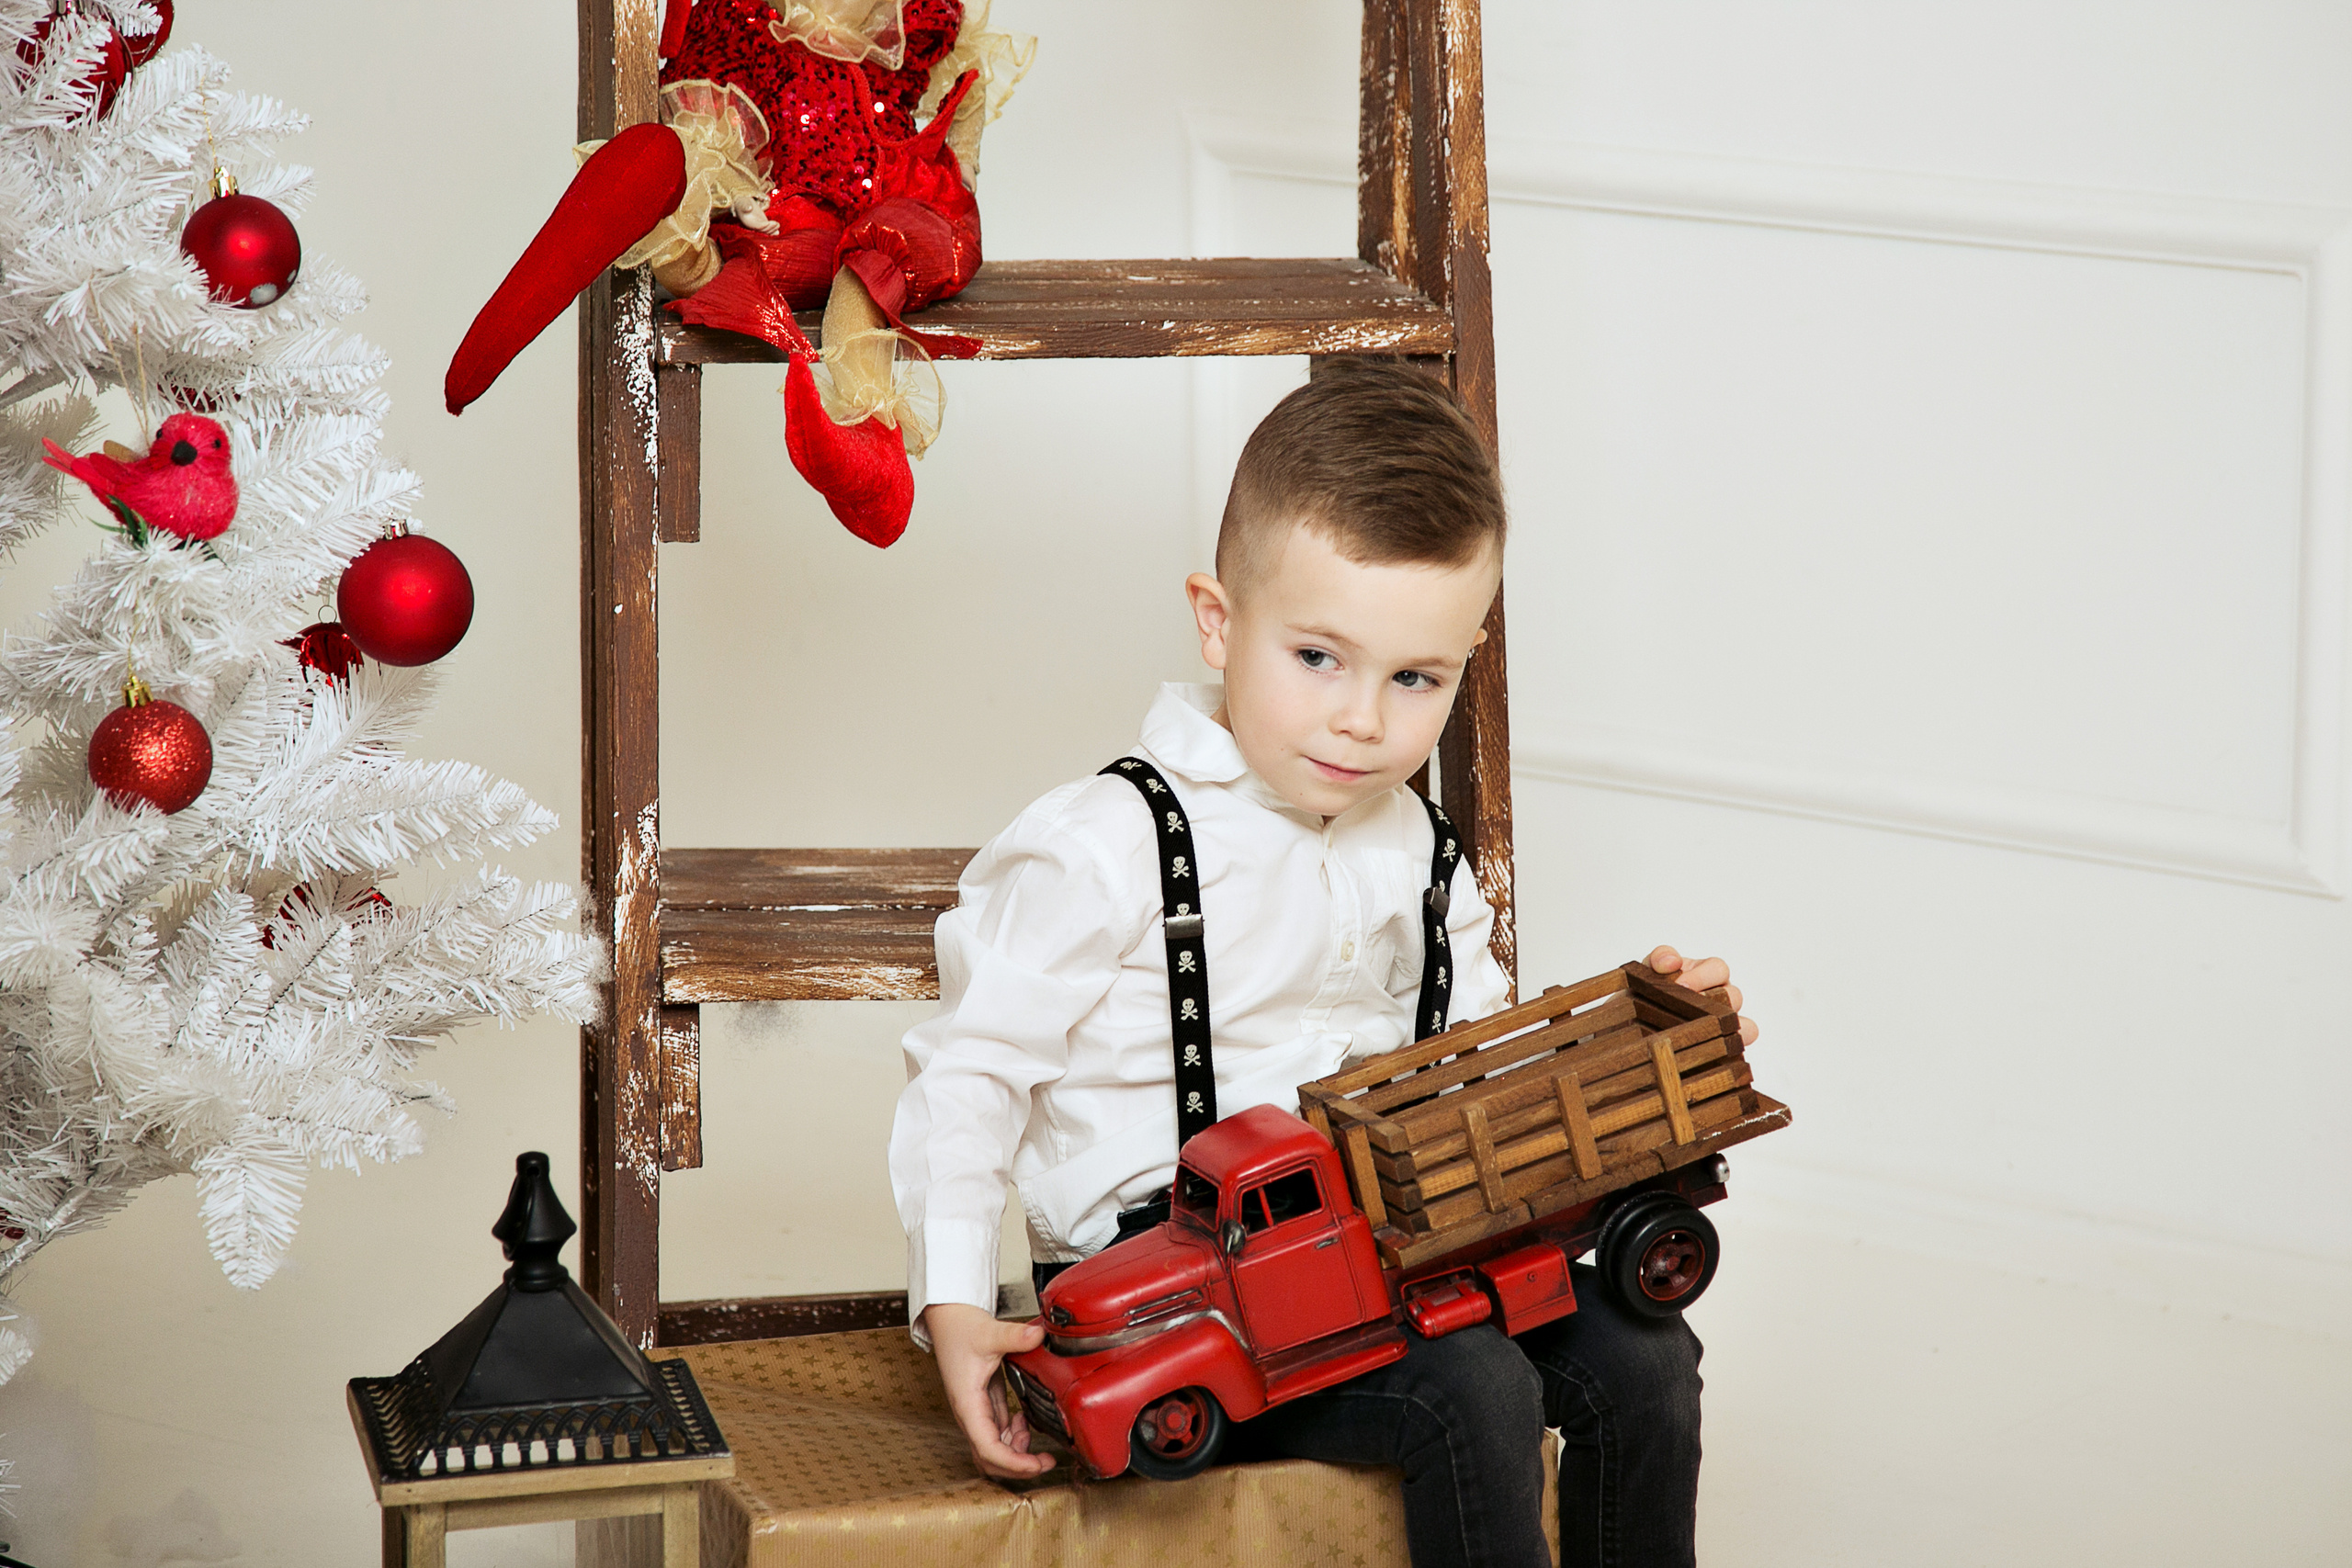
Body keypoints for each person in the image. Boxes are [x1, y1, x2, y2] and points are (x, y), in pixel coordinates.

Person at [888, 360, 1758, 1568]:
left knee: (1641, 1352)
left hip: (1391, 1254)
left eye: (1416, 679)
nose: (1363, 720)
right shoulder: (1108, 846)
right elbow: (969, 1075)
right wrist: (956, 1304)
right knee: (1477, 1386)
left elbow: (1474, 1072)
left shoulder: (1425, 851)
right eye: (1319, 658)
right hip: (1185, 1286)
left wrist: (1640, 1042)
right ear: (1218, 618)